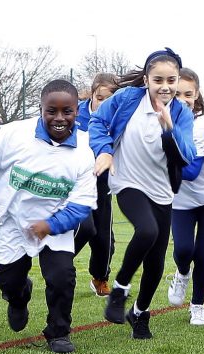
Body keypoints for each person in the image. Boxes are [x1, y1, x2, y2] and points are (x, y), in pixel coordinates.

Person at [0, 79, 96, 354]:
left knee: (62, 276)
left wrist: (50, 225)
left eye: (68, 111)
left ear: (77, 111)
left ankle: (58, 331)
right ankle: (18, 298)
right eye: (52, 111)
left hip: (55, 224)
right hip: (10, 221)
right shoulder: (14, 134)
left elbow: (80, 206)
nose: (60, 118)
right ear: (41, 109)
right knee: (8, 280)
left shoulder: (85, 152)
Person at [90, 48, 195, 339]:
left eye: (171, 80)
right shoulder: (127, 100)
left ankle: (139, 313)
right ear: (147, 79)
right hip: (127, 182)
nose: (165, 86)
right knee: (146, 231)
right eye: (158, 79)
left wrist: (169, 129)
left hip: (162, 191)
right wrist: (104, 151)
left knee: (156, 264)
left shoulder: (181, 113)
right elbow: (97, 121)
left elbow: (186, 155)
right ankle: (120, 289)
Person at [165, 68, 204, 326]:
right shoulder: (153, 121)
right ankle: (181, 273)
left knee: (202, 253)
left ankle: (198, 305)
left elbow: (191, 172)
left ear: (197, 94)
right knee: (183, 250)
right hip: (180, 200)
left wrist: (160, 162)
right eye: (176, 93)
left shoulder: (200, 125)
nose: (182, 99)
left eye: (188, 94)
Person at [73, 73, 118, 296]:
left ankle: (100, 277)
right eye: (100, 98)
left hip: (102, 181)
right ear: (92, 95)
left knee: (103, 238)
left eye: (109, 100)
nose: (104, 104)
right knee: (85, 227)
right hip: (73, 181)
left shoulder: (119, 118)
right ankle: (58, 262)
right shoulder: (73, 112)